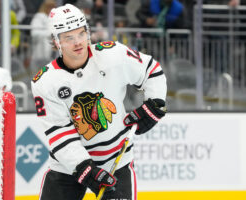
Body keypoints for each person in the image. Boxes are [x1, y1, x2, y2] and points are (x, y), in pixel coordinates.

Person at [31, 4, 167, 200]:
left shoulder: (112, 55)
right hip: (68, 168)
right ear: (56, 41)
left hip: (117, 159)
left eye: (81, 33)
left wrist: (154, 104)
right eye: (69, 38)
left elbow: (151, 70)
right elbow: (59, 133)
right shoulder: (45, 81)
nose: (78, 42)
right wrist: (85, 169)